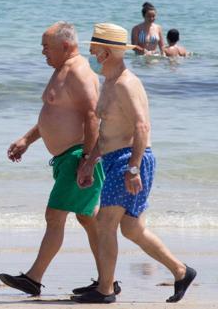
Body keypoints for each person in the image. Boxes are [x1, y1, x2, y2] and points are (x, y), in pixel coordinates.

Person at [73, 23, 196, 304]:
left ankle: (105, 290)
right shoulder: (109, 82)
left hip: (130, 158)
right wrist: (90, 162)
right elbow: (107, 133)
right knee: (131, 229)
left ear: (107, 52)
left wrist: (134, 167)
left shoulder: (127, 84)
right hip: (115, 158)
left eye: (95, 50)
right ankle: (181, 271)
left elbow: (142, 127)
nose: (92, 54)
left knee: (105, 223)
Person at [0, 22, 115, 297]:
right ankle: (107, 282)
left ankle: (33, 278)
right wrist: (27, 139)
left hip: (78, 155)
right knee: (88, 219)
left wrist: (87, 160)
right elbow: (57, 114)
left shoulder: (79, 72)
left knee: (54, 216)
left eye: (46, 47)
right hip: (68, 157)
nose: (42, 52)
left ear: (65, 46)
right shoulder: (62, 70)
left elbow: (92, 117)